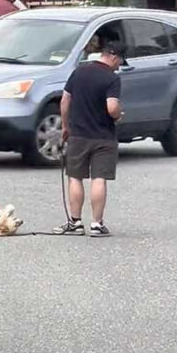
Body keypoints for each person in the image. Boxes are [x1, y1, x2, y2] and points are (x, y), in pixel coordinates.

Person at [52, 40, 126, 237]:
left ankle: (75, 222)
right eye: (119, 61)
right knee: (99, 179)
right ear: (113, 56)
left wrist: (66, 126)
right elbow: (111, 107)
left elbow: (65, 100)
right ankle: (96, 224)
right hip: (103, 137)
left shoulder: (79, 72)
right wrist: (119, 114)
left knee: (75, 177)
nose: (119, 66)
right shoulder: (111, 78)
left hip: (78, 134)